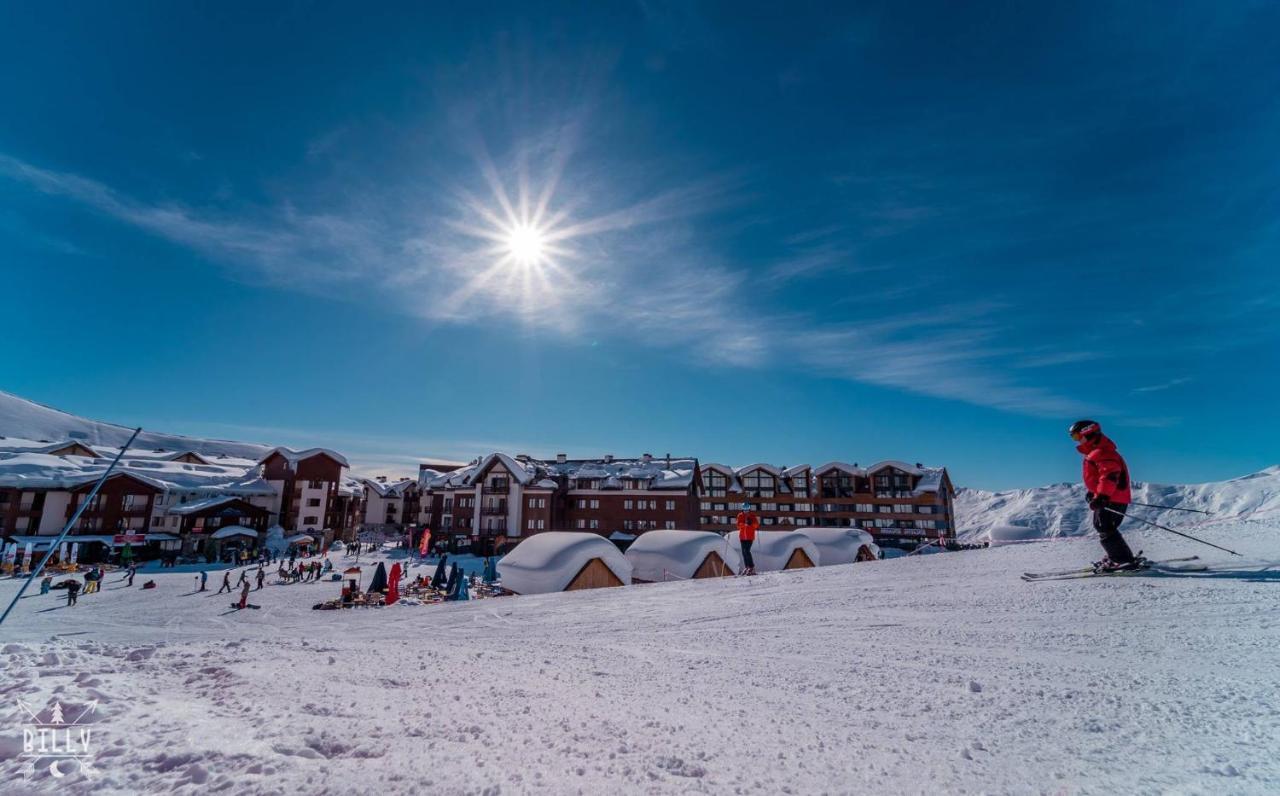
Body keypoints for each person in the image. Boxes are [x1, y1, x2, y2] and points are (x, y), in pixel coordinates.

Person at [1070, 419, 1138, 570]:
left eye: (1076, 436)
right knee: (1106, 527)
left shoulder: (1101, 452)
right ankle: (1118, 556)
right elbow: (1100, 477)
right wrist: (1093, 493)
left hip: (1111, 497)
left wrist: (1102, 496)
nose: (1076, 441)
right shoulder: (1097, 452)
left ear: (1087, 433)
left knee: (1104, 526)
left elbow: (1109, 475)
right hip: (1112, 496)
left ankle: (1121, 559)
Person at [736, 502, 760, 575]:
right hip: (742, 537)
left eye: (747, 509)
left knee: (747, 551)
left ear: (749, 509)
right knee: (743, 552)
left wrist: (751, 523)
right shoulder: (740, 515)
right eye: (744, 509)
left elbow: (756, 525)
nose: (746, 511)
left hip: (750, 537)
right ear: (742, 509)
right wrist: (744, 524)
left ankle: (751, 567)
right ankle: (747, 567)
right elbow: (738, 525)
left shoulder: (752, 516)